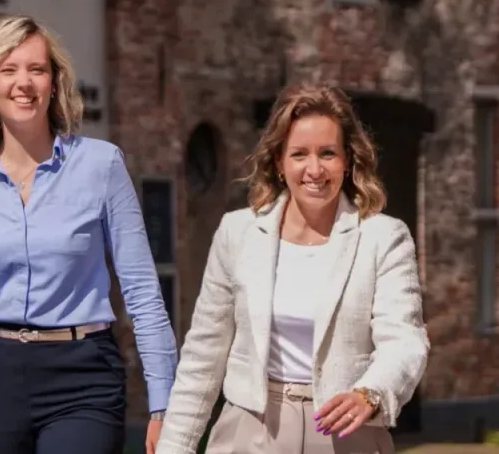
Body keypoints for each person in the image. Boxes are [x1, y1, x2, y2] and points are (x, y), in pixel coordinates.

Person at [0, 15, 179, 454]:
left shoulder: (101, 165)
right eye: (8, 70)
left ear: (55, 83)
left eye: (37, 69)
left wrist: (165, 405)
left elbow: (143, 291)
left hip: (83, 376)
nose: (24, 83)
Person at [155, 86, 429, 454]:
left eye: (328, 154)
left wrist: (371, 393)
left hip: (344, 434)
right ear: (279, 163)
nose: (314, 169)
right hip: (251, 429)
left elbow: (405, 342)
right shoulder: (238, 234)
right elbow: (204, 354)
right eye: (300, 154)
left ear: (347, 160)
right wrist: (176, 446)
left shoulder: (384, 237)